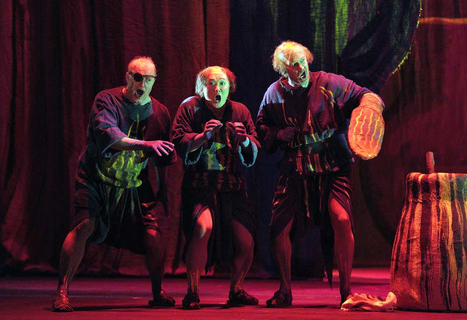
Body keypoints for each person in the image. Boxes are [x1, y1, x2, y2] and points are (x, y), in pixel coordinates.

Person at [256, 41, 384, 307]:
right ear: (283, 70)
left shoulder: (329, 82)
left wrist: (370, 106)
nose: (300, 68)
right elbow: (262, 128)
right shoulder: (273, 95)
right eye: (293, 64)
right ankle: (285, 291)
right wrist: (279, 134)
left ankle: (346, 291)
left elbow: (365, 94)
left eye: (303, 61)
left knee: (340, 217)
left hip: (332, 165)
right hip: (295, 167)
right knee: (278, 228)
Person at [52, 56, 177, 312]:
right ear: (127, 77)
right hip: (97, 177)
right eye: (137, 77)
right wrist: (144, 145)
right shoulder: (107, 100)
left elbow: (161, 155)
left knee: (153, 235)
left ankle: (157, 292)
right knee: (84, 224)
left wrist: (163, 188)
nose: (141, 83)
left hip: (132, 184)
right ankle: (62, 290)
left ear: (154, 82)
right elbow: (108, 134)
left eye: (147, 79)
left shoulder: (160, 112)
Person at [172, 66, 260, 309]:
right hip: (199, 184)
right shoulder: (190, 107)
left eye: (222, 83)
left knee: (246, 239)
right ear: (202, 88)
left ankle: (237, 289)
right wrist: (202, 137)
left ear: (229, 87)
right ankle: (192, 291)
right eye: (211, 83)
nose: (217, 88)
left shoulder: (239, 110)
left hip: (231, 186)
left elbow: (253, 145)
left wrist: (244, 140)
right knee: (203, 226)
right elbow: (178, 142)